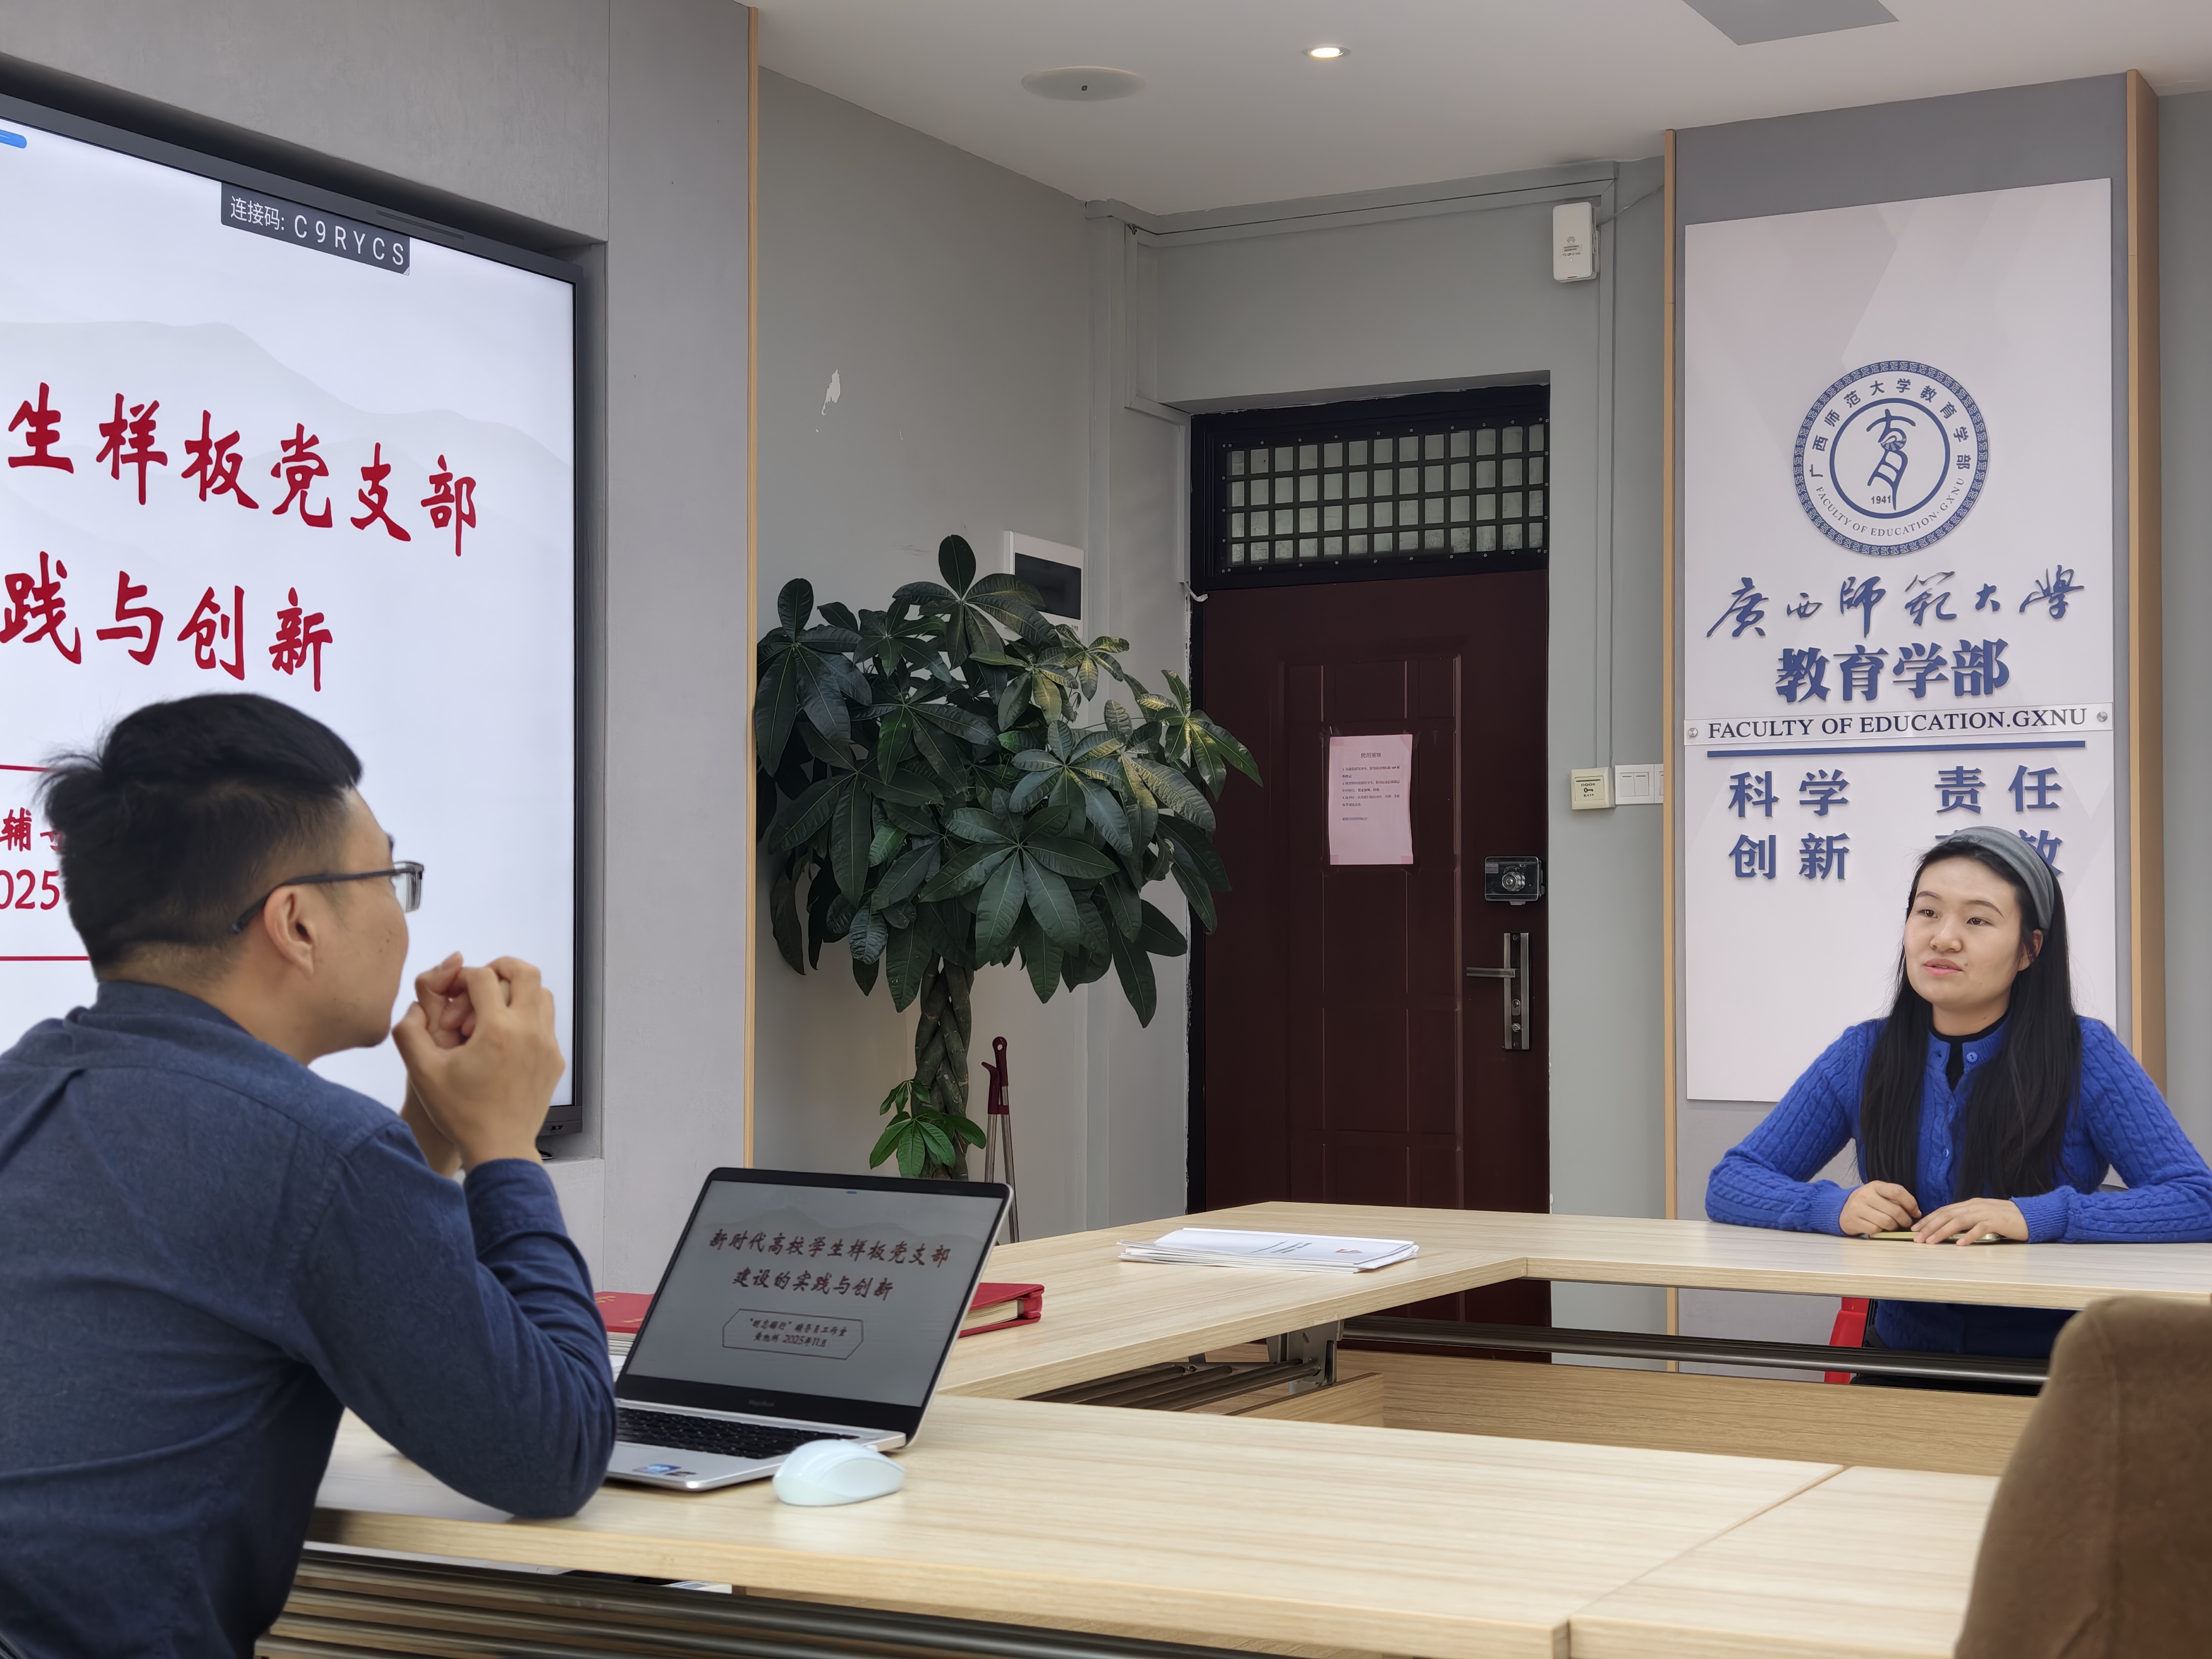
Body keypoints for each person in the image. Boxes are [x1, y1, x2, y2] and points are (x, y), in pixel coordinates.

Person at [0, 694, 613, 1659]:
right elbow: (555, 1450)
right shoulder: (317, 1153)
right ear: (297, 921)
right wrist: (506, 1142)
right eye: (389, 877)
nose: (402, 916)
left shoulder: (26, 1087)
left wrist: (430, 1128)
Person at [1707, 824, 2212, 1364]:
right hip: (1900, 1360)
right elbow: (1732, 1181)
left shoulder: (2084, 1053)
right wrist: (1833, 1207)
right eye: (1927, 912)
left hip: (2053, 1374)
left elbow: (2196, 1199)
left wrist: (2036, 1217)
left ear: (2029, 949)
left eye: (1977, 920)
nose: (1943, 938)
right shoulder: (1863, 1052)